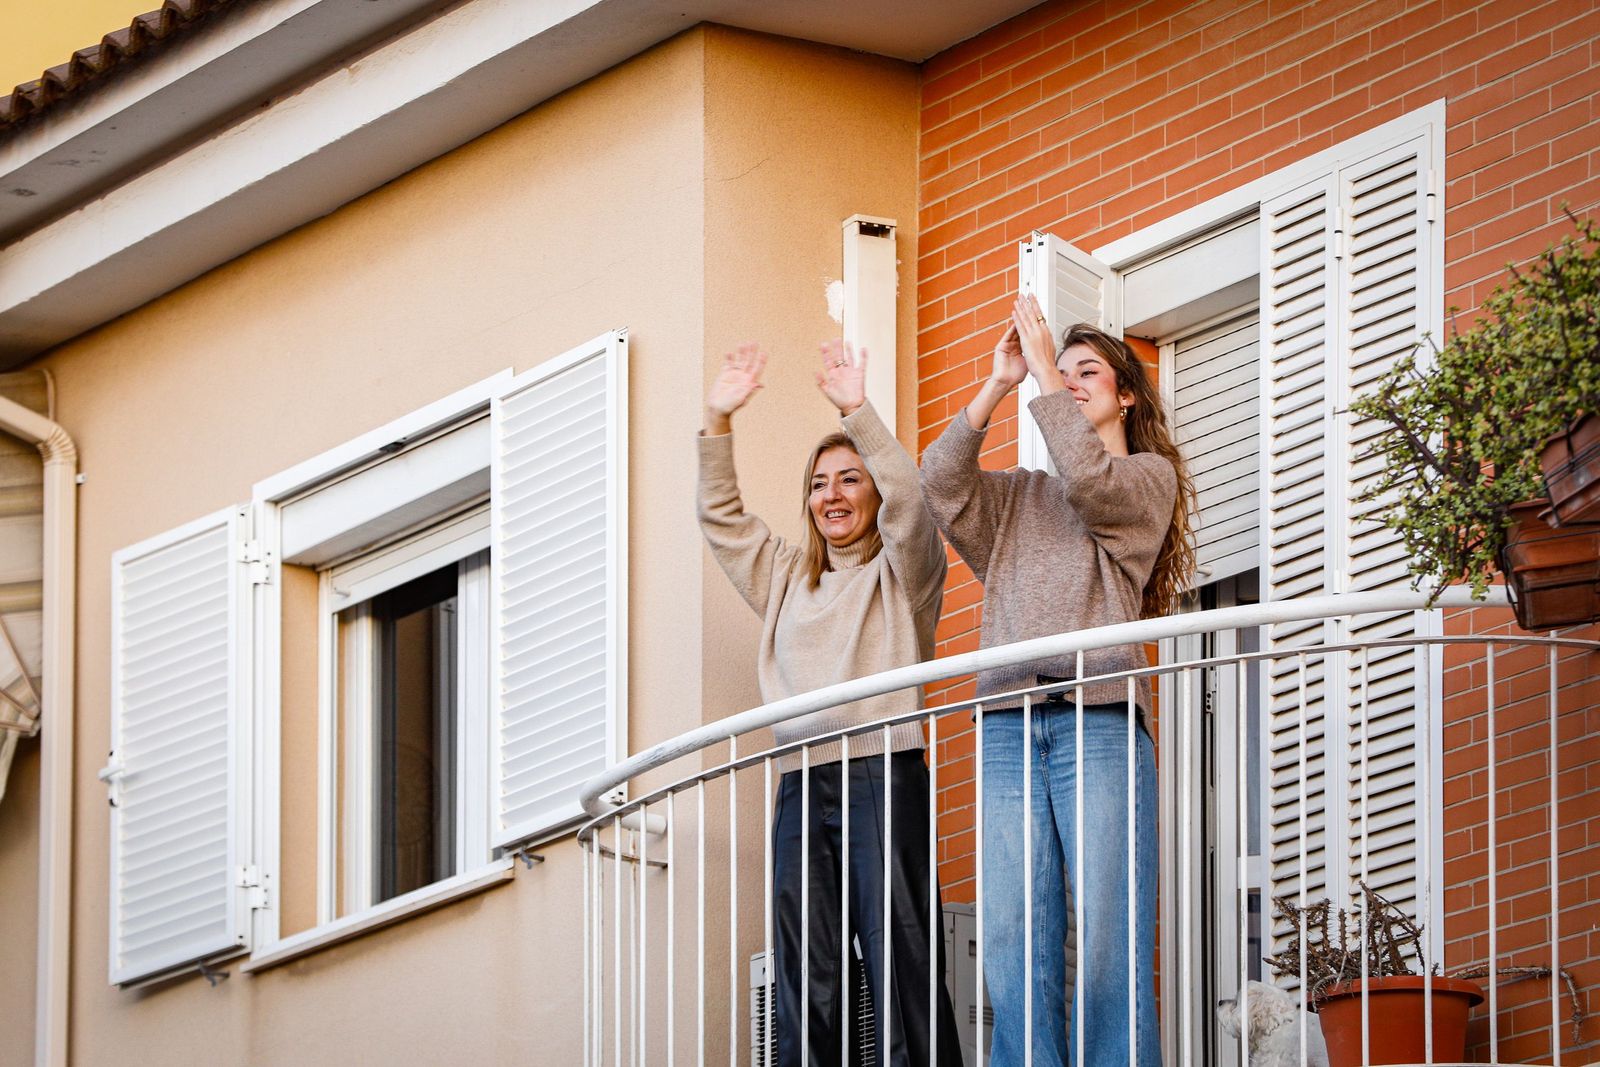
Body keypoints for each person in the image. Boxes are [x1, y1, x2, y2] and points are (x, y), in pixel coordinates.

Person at [920, 294, 1195, 1067]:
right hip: (1008, 722)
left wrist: (1044, 374)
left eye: (1089, 371)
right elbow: (939, 484)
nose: (1070, 379)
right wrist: (999, 382)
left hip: (1098, 717)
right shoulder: (1016, 497)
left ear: (1127, 394)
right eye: (1062, 367)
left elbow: (1091, 480)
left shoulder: (1147, 480)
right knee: (1012, 936)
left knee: (1109, 929)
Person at [698, 339, 963, 1067]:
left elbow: (912, 499)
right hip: (802, 786)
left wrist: (856, 408)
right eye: (820, 484)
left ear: (872, 494)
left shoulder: (904, 576)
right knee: (806, 973)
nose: (833, 495)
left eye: (851, 479)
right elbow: (722, 518)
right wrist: (717, 419)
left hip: (884, 774)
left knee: (902, 958)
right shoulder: (785, 577)